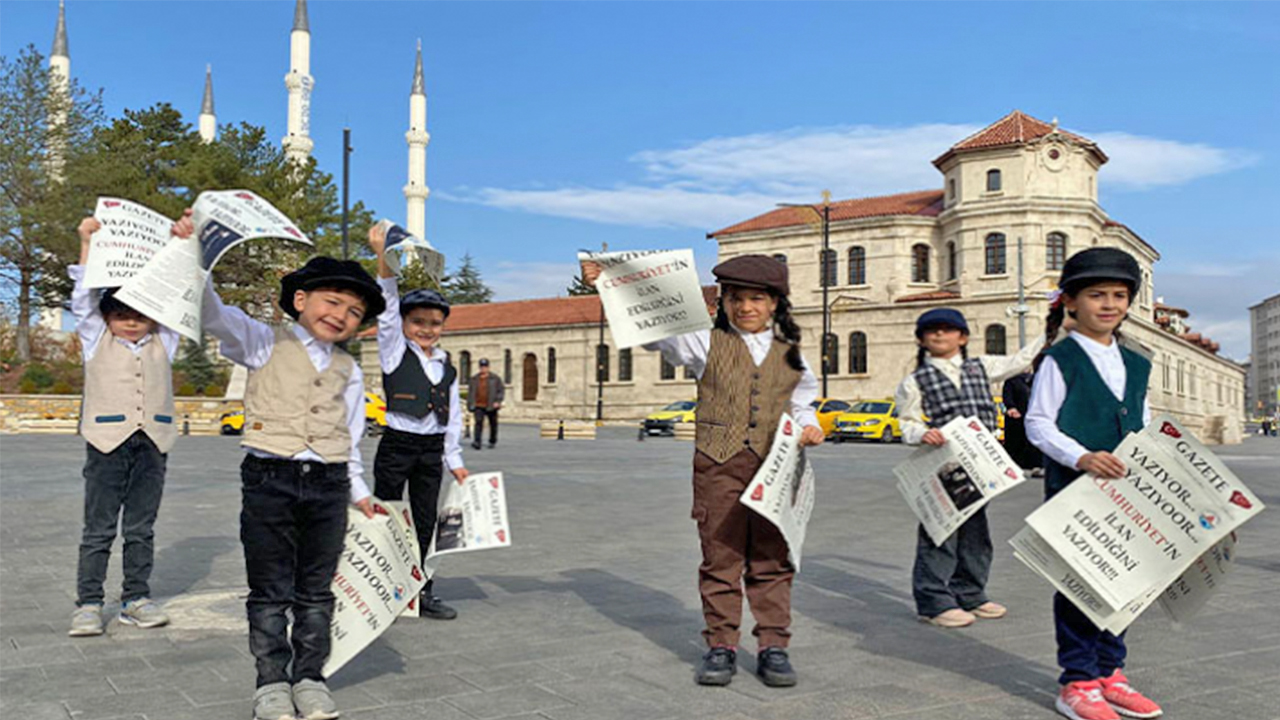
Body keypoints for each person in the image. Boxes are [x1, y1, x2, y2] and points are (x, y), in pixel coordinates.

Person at [581, 254, 824, 688]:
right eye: (735, 299)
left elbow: (804, 403)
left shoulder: (792, 356)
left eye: (756, 299)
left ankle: (773, 646)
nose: (745, 307)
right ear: (723, 303)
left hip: (776, 466)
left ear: (774, 305)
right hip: (719, 465)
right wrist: (608, 283)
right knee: (720, 557)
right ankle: (721, 645)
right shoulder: (701, 342)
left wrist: (809, 426)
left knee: (772, 557)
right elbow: (653, 326)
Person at [203, 254, 383, 720]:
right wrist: (196, 263)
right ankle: (271, 682)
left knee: (317, 591)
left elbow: (351, 434)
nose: (340, 315)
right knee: (269, 590)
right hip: (270, 478)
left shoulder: (349, 370)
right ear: (300, 299)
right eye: (333, 301)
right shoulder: (263, 342)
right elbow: (213, 314)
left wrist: (360, 493)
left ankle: (309, 677)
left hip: (329, 481)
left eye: (353, 311)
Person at [1025, 247, 1163, 720]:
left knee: (1123, 580)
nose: (1108, 304)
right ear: (1071, 302)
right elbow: (1038, 424)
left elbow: (1142, 422)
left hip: (1125, 494)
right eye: (1096, 295)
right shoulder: (1059, 359)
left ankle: (1110, 671)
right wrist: (1080, 456)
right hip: (1075, 490)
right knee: (1080, 584)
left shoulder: (1138, 363)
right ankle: (1078, 680)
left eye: (1119, 295)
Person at [65, 214, 190, 637]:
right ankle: (88, 602)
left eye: (140, 312)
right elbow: (83, 296)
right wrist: (87, 243)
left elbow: (175, 293)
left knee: (141, 527)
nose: (131, 320)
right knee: (98, 528)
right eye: (120, 313)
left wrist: (178, 245)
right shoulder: (93, 338)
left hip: (153, 442)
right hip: (105, 442)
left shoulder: (164, 341)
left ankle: (135, 597)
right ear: (107, 316)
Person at [894, 308, 1042, 629]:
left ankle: (970, 592)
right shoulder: (914, 381)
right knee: (940, 531)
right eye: (931, 331)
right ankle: (933, 600)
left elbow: (1017, 361)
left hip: (980, 464)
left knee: (976, 531)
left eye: (947, 330)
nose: (939, 335)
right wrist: (921, 433)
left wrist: (1050, 332)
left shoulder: (980, 367)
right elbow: (906, 422)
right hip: (942, 464)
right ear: (921, 339)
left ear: (962, 337)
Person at [368, 224, 468, 620]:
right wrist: (383, 258)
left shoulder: (446, 365)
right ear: (407, 325)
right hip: (397, 445)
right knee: (388, 517)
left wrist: (454, 460)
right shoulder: (394, 351)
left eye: (434, 323)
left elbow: (453, 416)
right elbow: (388, 308)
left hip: (429, 451)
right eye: (419, 322)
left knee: (427, 521)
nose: (427, 329)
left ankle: (423, 591)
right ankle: (381, 588)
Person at [1002, 369, 1044, 475]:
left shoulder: (1037, 379)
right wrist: (1011, 407)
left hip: (1033, 418)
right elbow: (1007, 396)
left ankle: (1036, 465)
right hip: (1018, 418)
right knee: (1016, 443)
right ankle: (1016, 466)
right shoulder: (1012, 380)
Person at [467, 358, 504, 449]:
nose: (483, 369)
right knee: (478, 422)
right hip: (478, 405)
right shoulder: (474, 379)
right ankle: (477, 441)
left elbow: (500, 391)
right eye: (482, 367)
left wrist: (498, 401)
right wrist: (470, 404)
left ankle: (492, 440)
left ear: (488, 367)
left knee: (493, 423)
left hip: (491, 404)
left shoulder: (495, 378)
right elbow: (471, 392)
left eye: (485, 367)